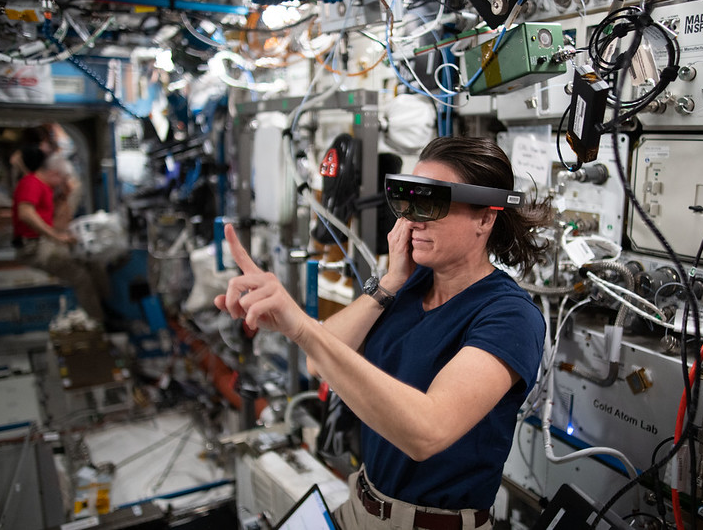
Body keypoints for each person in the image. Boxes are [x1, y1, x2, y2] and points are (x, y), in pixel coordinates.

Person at [215, 136, 553, 530]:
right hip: (360, 504)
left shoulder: (509, 316)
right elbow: (319, 363)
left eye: (432, 202)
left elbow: (426, 432)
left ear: (485, 217)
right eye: (407, 200)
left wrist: (303, 326)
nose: (412, 219)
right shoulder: (409, 283)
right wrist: (389, 282)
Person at [12, 146, 106, 323]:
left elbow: (55, 220)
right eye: (62, 178)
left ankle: (106, 307)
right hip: (34, 247)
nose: (62, 181)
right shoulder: (32, 182)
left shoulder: (46, 188)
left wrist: (66, 196)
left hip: (42, 242)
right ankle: (99, 323)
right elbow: (25, 213)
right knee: (81, 277)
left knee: (92, 262)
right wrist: (55, 237)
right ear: (54, 172)